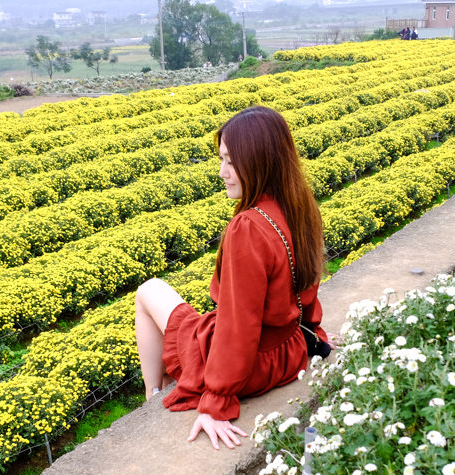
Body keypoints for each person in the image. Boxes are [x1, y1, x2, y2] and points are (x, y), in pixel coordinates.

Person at [134, 106, 328, 450]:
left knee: (149, 291)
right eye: (221, 160)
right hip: (290, 350)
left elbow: (239, 325)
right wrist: (315, 335)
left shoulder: (248, 227)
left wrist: (217, 402)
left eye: (230, 161)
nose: (222, 172)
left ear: (258, 160)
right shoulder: (299, 205)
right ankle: (160, 388)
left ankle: (151, 397)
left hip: (252, 365)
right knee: (179, 321)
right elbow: (307, 286)